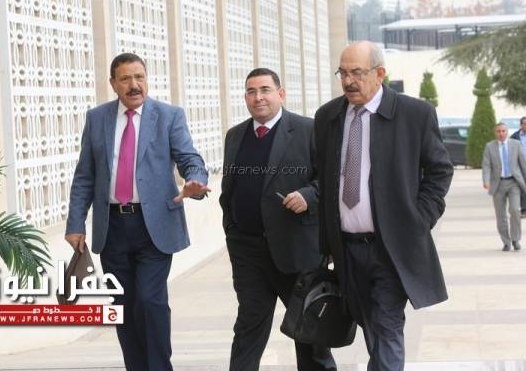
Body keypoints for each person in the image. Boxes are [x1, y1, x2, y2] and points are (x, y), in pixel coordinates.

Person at [314, 41, 454, 371]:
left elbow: (440, 170)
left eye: (357, 73)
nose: (349, 81)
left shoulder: (415, 114)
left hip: (391, 248)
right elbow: (322, 176)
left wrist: (418, 219)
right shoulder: (327, 117)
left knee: (387, 324)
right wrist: (326, 243)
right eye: (342, 73)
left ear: (380, 73)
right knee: (372, 326)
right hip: (347, 249)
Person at [65, 53, 210, 371]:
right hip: (112, 227)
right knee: (123, 306)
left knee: (150, 300)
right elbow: (85, 175)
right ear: (113, 83)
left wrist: (195, 180)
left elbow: (189, 158)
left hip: (153, 226)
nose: (134, 85)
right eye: (126, 79)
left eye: (139, 77)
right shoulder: (97, 118)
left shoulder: (169, 116)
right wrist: (76, 222)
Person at [220, 68, 336, 371]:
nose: (258, 97)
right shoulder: (235, 136)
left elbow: (332, 180)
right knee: (248, 326)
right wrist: (232, 230)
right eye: (251, 91)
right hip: (248, 251)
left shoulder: (308, 130)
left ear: (280, 94)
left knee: (309, 330)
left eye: (265, 90)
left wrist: (309, 196)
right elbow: (230, 190)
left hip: (296, 249)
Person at [483, 122, 526, 251]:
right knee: (500, 215)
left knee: (515, 210)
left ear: (507, 132)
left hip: (513, 183)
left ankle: (516, 239)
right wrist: (486, 180)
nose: (501, 134)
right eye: (498, 131)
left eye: (503, 131)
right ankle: (506, 242)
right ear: (495, 133)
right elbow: (486, 165)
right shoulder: (489, 147)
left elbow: (524, 165)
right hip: (498, 184)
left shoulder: (516, 144)